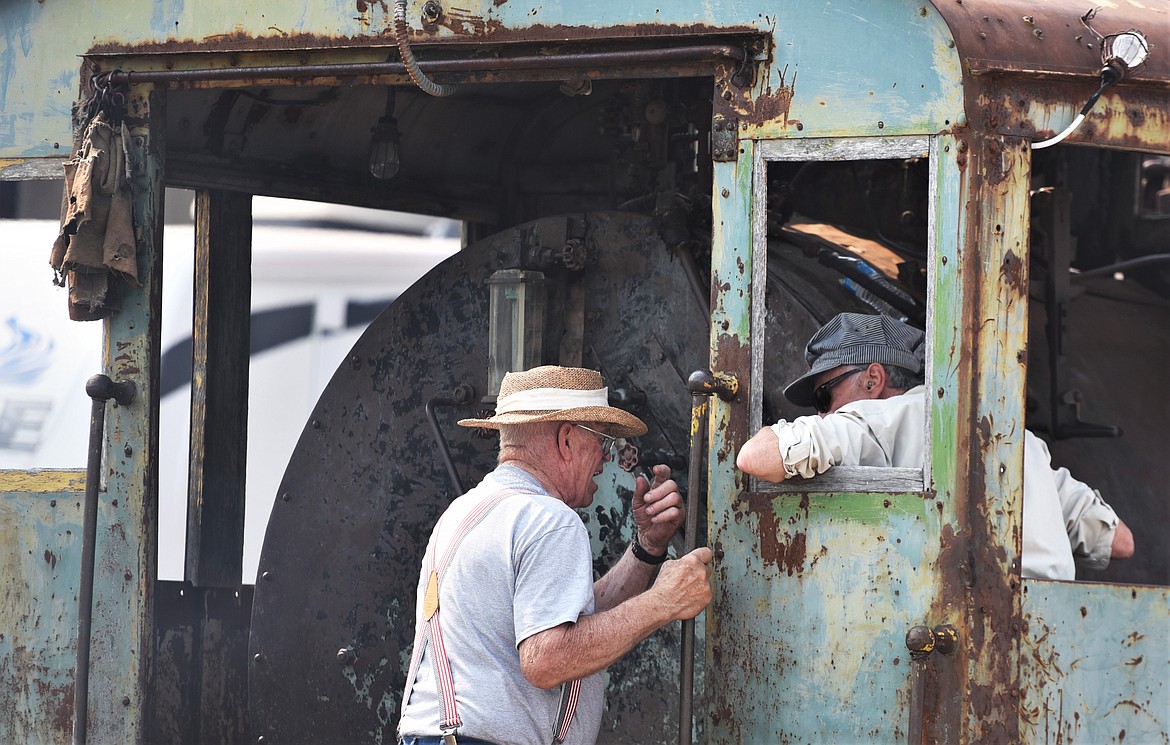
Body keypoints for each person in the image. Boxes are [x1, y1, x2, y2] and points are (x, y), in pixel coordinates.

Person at [398, 365, 713, 745]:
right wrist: (662, 603)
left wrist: (647, 549)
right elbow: (547, 657)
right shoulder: (548, 517)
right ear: (566, 441)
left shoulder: (465, 513)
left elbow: (563, 619)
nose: (607, 459)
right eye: (603, 442)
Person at [736, 312, 1134, 580]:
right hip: (1048, 643)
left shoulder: (887, 417)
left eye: (825, 397)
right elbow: (1120, 542)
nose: (825, 414)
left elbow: (755, 457)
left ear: (873, 380)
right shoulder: (1016, 437)